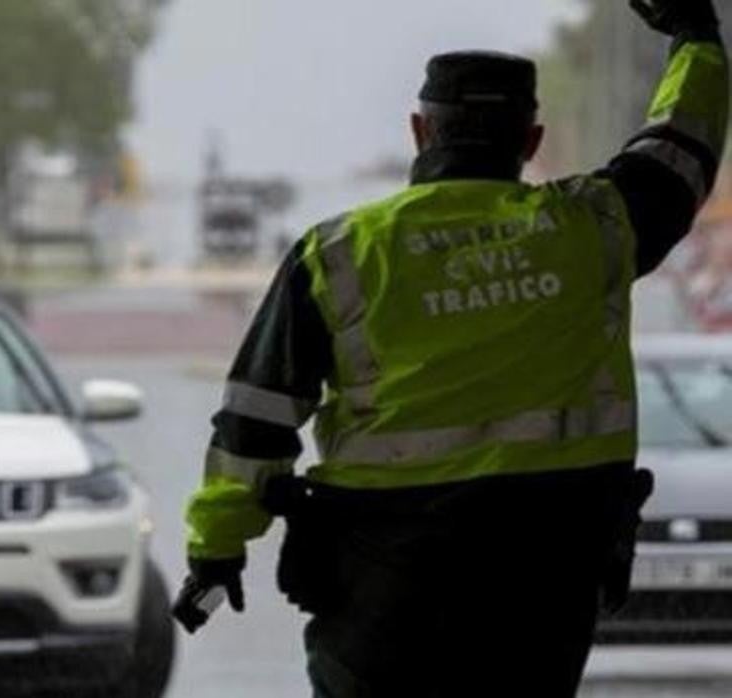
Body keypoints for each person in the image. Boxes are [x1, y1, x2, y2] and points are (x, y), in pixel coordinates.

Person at [173, 1, 729, 696]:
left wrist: (217, 547)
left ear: (420, 131)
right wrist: (697, 41)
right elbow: (682, 149)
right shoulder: (594, 228)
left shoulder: (341, 253)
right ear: (529, 141)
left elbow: (256, 417)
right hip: (543, 579)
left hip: (380, 584)